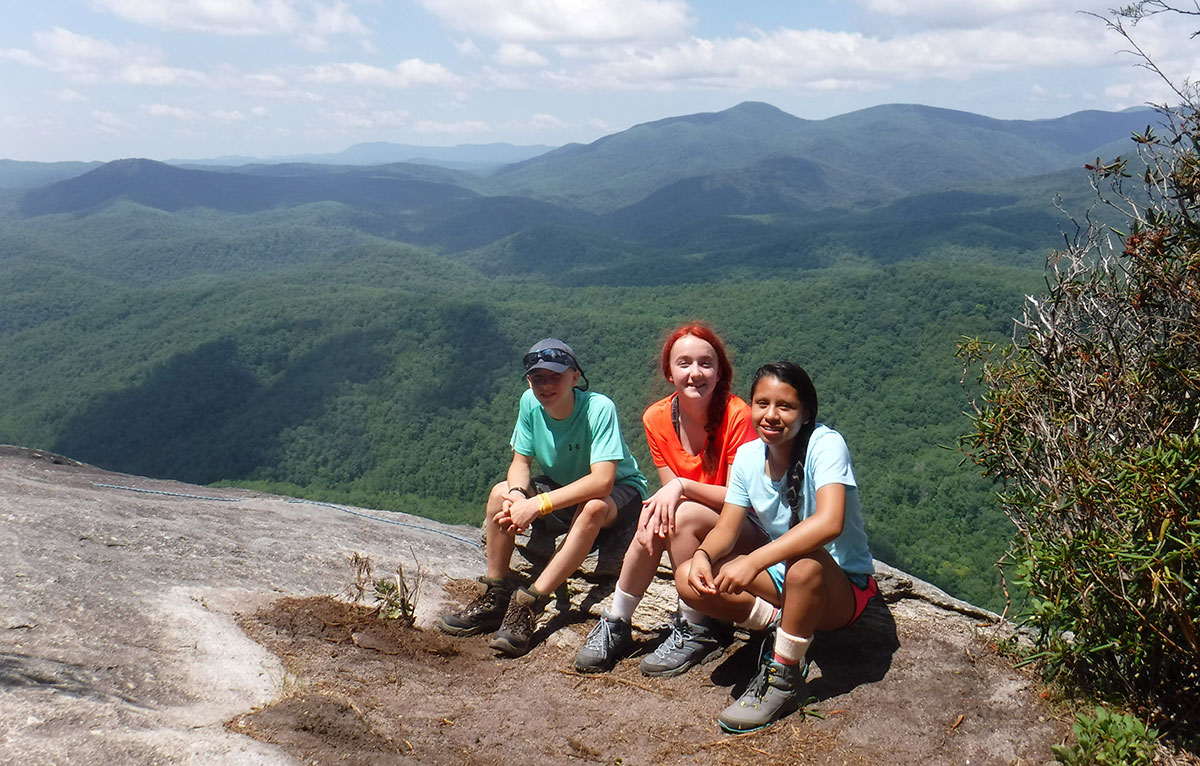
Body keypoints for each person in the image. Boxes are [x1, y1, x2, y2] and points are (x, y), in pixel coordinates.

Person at [675, 361, 877, 733]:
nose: (771, 415)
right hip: (786, 578)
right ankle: (777, 625)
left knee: (805, 562)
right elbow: (727, 527)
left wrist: (753, 562)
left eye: (785, 406)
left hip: (841, 587)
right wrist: (704, 555)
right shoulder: (749, 457)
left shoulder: (825, 445)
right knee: (688, 579)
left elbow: (829, 522)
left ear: (806, 414)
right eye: (761, 403)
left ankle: (784, 676)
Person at [439, 338, 648, 657]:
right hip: (564, 486)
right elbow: (520, 463)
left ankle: (529, 604)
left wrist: (538, 504)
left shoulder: (598, 408)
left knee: (591, 508)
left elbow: (603, 482)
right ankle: (495, 595)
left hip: (620, 494)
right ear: (528, 381)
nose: (546, 385)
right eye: (538, 378)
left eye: (555, 376)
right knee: (499, 492)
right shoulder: (529, 404)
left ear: (574, 377)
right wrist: (516, 496)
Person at [573, 324, 757, 675]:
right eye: (684, 363)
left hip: (745, 525)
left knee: (680, 513)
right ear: (669, 373)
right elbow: (669, 498)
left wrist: (682, 488)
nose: (695, 372)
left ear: (720, 373)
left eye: (705, 363)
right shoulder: (657, 418)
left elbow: (739, 500)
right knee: (661, 516)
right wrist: (668, 500)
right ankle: (617, 621)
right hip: (699, 520)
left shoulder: (738, 416)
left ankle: (695, 625)